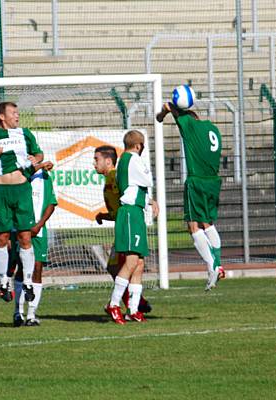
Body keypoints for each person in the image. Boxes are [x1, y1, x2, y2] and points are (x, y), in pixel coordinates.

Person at [0, 101, 44, 303]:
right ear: (2, 117)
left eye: (18, 113)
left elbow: (39, 154)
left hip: (21, 189)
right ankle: (3, 281)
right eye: (13, 113)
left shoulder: (25, 133)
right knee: (2, 237)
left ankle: (28, 282)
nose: (17, 116)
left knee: (25, 237)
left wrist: (35, 158)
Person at [156, 102, 224, 291]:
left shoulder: (190, 125)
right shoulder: (213, 129)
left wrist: (162, 113)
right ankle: (218, 263)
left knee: (193, 224)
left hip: (197, 181)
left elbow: (170, 109)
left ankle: (212, 266)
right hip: (213, 181)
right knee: (207, 222)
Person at [93, 145, 154, 316]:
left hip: (128, 223)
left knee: (129, 264)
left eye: (96, 159)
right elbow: (117, 208)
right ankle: (133, 303)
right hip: (122, 224)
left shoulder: (114, 176)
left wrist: (150, 201)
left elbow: (129, 193)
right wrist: (104, 216)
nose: (94, 163)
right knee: (117, 266)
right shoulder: (108, 179)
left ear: (108, 161)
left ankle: (127, 303)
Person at [12, 162, 57, 327]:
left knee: (37, 267)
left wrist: (39, 225)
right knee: (22, 268)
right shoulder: (19, 175)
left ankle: (31, 314)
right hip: (20, 228)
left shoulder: (45, 177)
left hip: (38, 231)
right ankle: (18, 313)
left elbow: (52, 203)